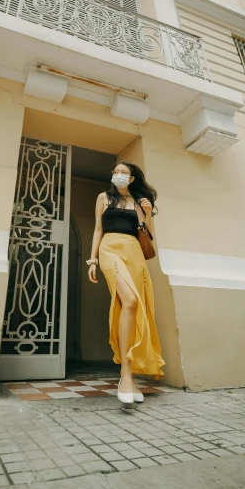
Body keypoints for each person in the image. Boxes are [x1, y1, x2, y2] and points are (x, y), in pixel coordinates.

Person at [87, 161, 165, 406]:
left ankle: (129, 377)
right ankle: (125, 376)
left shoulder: (138, 202)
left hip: (134, 253)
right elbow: (98, 230)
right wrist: (92, 260)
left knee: (130, 307)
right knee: (130, 301)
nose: (118, 175)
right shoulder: (103, 198)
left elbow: (146, 235)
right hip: (110, 249)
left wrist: (148, 211)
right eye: (116, 172)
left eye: (124, 173)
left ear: (132, 179)